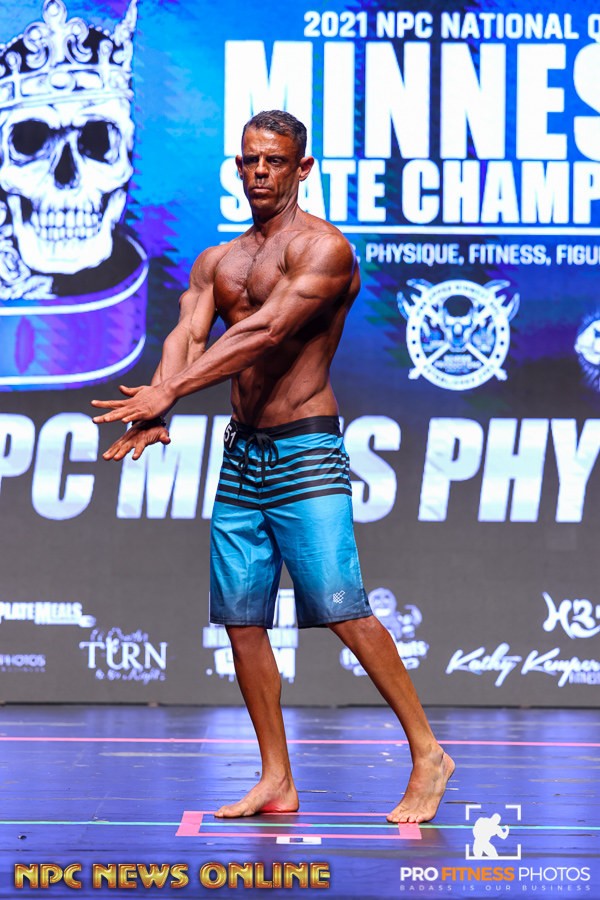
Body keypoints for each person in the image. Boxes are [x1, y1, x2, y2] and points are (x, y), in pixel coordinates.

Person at [92, 109, 455, 824]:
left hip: (305, 449)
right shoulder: (217, 262)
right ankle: (276, 778)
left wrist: (170, 391)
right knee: (241, 618)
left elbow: (265, 330)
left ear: (302, 168)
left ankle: (428, 752)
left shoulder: (324, 250)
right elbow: (187, 333)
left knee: (342, 608)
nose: (260, 171)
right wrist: (161, 398)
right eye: (250, 160)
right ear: (237, 166)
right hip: (243, 453)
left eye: (275, 161)